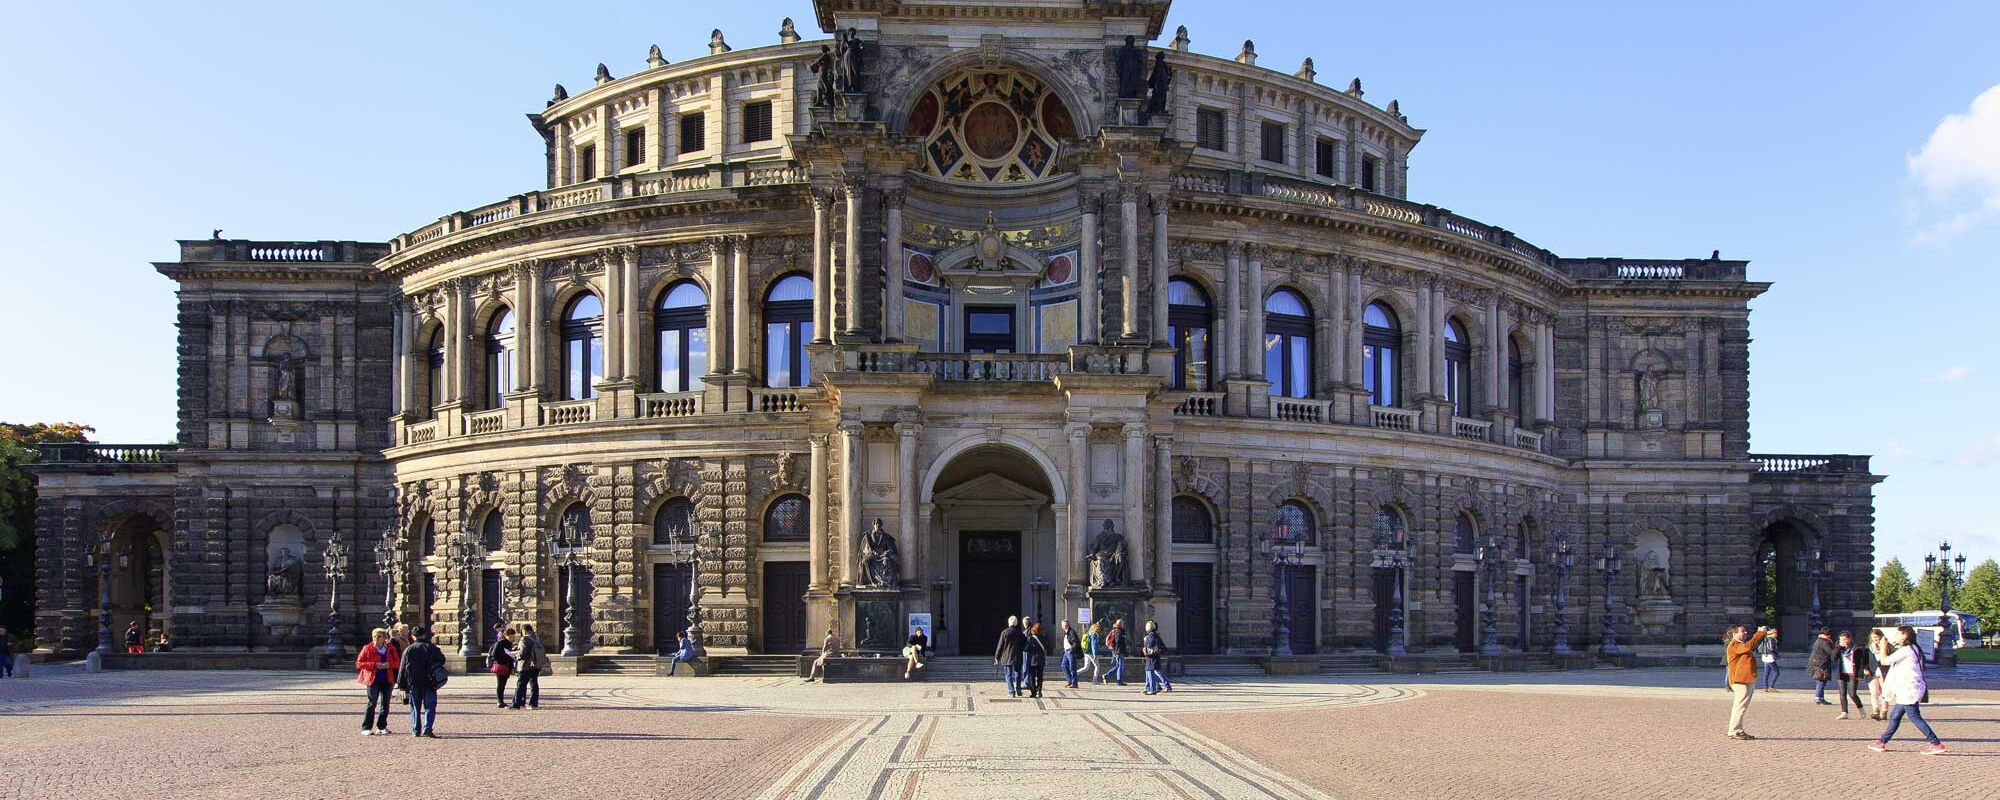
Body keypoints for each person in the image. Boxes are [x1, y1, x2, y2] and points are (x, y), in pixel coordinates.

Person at [1870, 625, 1945, 754]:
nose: (1896, 637)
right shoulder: (1913, 648)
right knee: (1895, 716)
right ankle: (1882, 741)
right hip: (1907, 689)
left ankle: (1935, 743)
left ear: (1905, 636)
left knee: (1914, 716)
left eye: (1898, 634)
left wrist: (1882, 646)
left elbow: (1884, 661)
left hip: (1908, 689)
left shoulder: (1907, 650)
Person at [1723, 624, 1771, 740]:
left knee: (1741, 706)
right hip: (1739, 680)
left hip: (1744, 679)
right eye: (1742, 631)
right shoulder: (1734, 644)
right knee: (1740, 706)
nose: (1745, 633)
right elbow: (1749, 646)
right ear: (1735, 634)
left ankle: (1738, 729)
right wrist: (1759, 633)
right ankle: (1734, 730)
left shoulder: (1740, 644)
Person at [397, 626, 446, 737]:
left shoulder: (408, 649)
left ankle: (416, 730)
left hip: (413, 682)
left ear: (413, 636)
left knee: (415, 707)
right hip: (430, 682)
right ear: (424, 635)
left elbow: (402, 668)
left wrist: (401, 685)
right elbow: (442, 660)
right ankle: (427, 728)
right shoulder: (431, 648)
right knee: (430, 706)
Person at [354, 627, 400, 736]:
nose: (376, 638)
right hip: (373, 679)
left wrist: (389, 664)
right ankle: (366, 727)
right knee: (372, 703)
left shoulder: (390, 648)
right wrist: (374, 665)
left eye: (379, 636)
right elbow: (359, 663)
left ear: (384, 638)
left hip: (387, 679)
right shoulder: (367, 648)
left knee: (385, 704)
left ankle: (382, 726)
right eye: (374, 636)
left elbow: (398, 662)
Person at [1834, 630, 1870, 720]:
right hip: (1842, 673)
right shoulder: (1839, 648)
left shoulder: (1856, 648)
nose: (1842, 641)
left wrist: (1863, 670)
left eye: (1844, 639)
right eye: (1840, 639)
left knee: (1852, 694)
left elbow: (1862, 660)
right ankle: (1844, 712)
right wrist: (1838, 648)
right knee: (1842, 693)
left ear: (1849, 639)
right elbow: (1833, 657)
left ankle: (1860, 707)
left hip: (1853, 673)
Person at [513, 623, 547, 709]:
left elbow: (523, 652)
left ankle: (517, 704)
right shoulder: (537, 639)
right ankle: (533, 704)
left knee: (520, 685)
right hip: (536, 665)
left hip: (525, 665)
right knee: (534, 684)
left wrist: (516, 656)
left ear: (524, 630)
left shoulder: (524, 639)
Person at [994, 615, 1026, 697]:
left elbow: (1000, 646)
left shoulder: (1004, 632)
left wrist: (997, 657)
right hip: (1018, 656)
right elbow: (1024, 644)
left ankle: (1011, 691)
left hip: (1007, 656)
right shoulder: (1020, 633)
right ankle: (1018, 689)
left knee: (1008, 674)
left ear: (1009, 623)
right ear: (1016, 623)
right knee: (1018, 673)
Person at [487, 626, 518, 708]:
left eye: (513, 637)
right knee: (500, 684)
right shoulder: (500, 643)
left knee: (503, 684)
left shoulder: (509, 644)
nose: (512, 638)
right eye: (511, 637)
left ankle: (501, 700)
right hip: (501, 666)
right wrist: (502, 661)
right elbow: (494, 654)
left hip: (506, 666)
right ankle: (499, 701)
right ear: (506, 636)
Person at [1141, 619, 1173, 695]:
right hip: (1155, 656)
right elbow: (1163, 647)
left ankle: (1152, 689)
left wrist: (1145, 642)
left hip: (1151, 656)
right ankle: (1149, 688)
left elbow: (1150, 644)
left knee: (1150, 672)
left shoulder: (1150, 635)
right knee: (1151, 672)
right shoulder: (1156, 635)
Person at [1865, 629, 1890, 720]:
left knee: (1884, 692)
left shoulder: (1888, 646)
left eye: (1876, 637)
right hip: (1872, 672)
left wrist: (1884, 646)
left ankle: (1884, 711)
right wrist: (1865, 668)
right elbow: (1865, 659)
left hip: (1884, 671)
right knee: (1874, 692)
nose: (1875, 639)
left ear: (1880, 636)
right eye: (1873, 638)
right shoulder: (1869, 648)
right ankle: (1875, 710)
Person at [1806, 629, 1836, 705]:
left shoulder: (1819, 640)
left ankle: (1821, 697)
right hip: (1821, 664)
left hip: (1818, 663)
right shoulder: (1824, 641)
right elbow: (1829, 652)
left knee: (1821, 681)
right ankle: (1818, 697)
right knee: (1821, 681)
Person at [1024, 623, 1048, 698]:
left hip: (1033, 659)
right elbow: (1047, 646)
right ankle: (1040, 690)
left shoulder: (1031, 639)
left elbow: (1026, 648)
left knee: (1032, 676)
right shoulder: (1044, 638)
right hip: (1041, 659)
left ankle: (1033, 692)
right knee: (1040, 676)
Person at [1755, 628, 1780, 692]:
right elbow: (1771, 648)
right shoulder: (1771, 639)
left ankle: (1765, 687)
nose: (1776, 634)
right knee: (1777, 672)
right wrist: (1776, 654)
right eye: (1775, 633)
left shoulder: (1765, 638)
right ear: (1772, 634)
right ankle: (1771, 686)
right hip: (1770, 657)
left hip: (1765, 656)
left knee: (1766, 673)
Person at [1105, 619, 1129, 686]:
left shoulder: (1118, 631)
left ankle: (1107, 676)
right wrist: (1117, 651)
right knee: (1120, 666)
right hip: (1119, 651)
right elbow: (1118, 642)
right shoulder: (1118, 632)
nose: (1123, 625)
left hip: (1118, 651)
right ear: (1120, 624)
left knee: (1118, 666)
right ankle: (1119, 681)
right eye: (1123, 623)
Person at [1059, 619, 1082, 689]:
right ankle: (1069, 681)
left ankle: (1074, 683)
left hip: (1070, 652)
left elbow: (1076, 642)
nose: (1064, 626)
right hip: (1066, 652)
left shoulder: (1071, 632)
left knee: (1072, 668)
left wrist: (1071, 650)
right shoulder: (1067, 632)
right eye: (1063, 625)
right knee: (1064, 666)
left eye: (1065, 625)